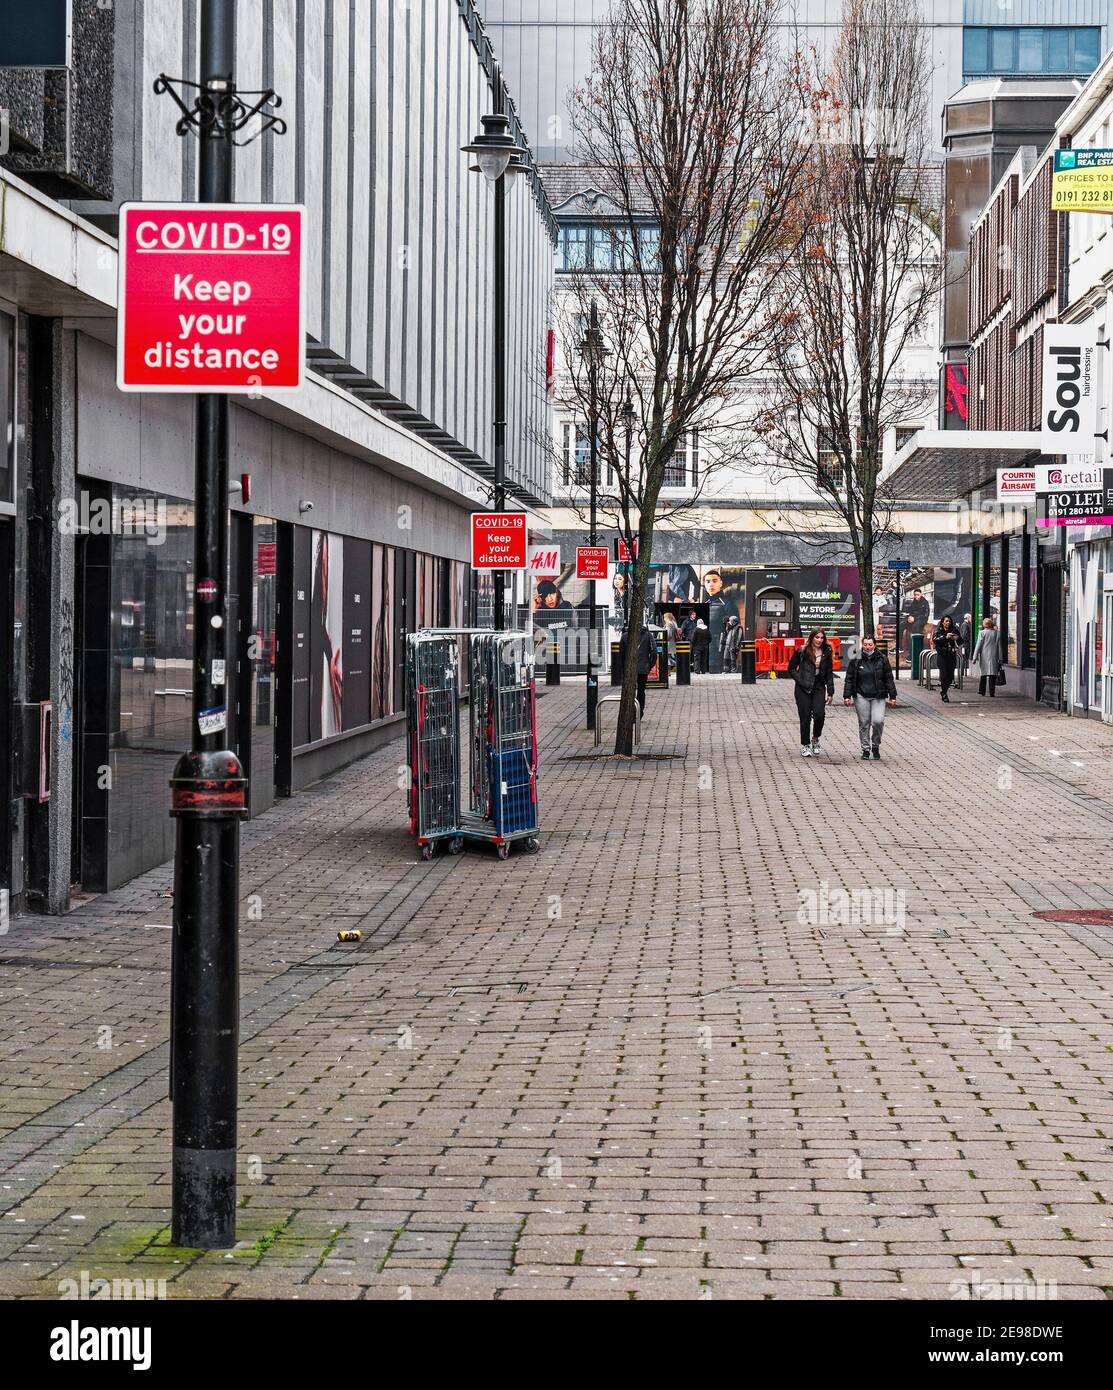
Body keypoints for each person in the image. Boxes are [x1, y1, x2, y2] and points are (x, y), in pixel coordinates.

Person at [843, 634, 897, 759]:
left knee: (878, 721)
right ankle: (866, 749)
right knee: (864, 722)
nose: (867, 647)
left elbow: (889, 678)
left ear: (875, 645)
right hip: (861, 694)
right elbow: (849, 678)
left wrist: (892, 695)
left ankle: (875, 745)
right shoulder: (856, 659)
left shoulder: (882, 659)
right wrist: (847, 695)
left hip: (878, 695)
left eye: (870, 644)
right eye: (865, 644)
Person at [787, 628, 835, 757]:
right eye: (816, 637)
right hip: (803, 687)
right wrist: (800, 679)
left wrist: (830, 692)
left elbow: (829, 672)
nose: (819, 640)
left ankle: (815, 738)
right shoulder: (802, 650)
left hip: (819, 686)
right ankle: (805, 745)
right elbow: (791, 668)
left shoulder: (827, 651)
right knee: (805, 717)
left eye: (821, 638)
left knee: (819, 715)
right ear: (812, 638)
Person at [620, 622, 657, 715]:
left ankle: (629, 712)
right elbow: (654, 652)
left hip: (629, 669)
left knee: (629, 690)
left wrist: (624, 667)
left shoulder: (625, 636)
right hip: (643, 668)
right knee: (641, 690)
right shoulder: (648, 635)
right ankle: (639, 712)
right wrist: (649, 665)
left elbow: (621, 654)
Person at [933, 613, 961, 703]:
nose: (948, 623)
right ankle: (944, 694)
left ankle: (944, 691)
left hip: (951, 655)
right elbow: (935, 640)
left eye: (949, 621)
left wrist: (957, 638)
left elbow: (961, 641)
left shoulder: (954, 630)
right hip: (942, 656)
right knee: (944, 675)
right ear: (942, 622)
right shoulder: (938, 631)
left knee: (950, 676)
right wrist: (945, 637)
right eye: (946, 621)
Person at [970, 617, 1001, 697]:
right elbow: (999, 646)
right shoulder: (997, 633)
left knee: (983, 674)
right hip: (994, 656)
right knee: (992, 674)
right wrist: (1001, 658)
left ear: (984, 624)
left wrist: (974, 657)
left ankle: (982, 691)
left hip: (984, 656)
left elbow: (978, 645)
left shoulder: (982, 633)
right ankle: (992, 692)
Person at [900, 587, 930, 655]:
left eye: (918, 594)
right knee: (901, 625)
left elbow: (926, 615)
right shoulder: (913, 602)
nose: (916, 596)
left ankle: (913, 653)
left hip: (922, 620)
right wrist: (909, 617)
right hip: (913, 619)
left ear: (921, 594)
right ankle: (899, 647)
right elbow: (910, 612)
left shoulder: (925, 602)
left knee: (915, 627)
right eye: (915, 595)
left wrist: (915, 619)